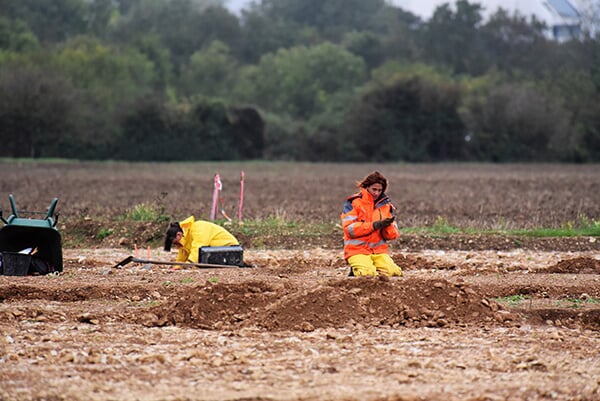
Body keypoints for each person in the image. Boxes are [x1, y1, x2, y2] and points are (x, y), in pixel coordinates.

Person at [341, 171, 403, 277]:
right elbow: (349, 230)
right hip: (357, 250)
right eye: (374, 189)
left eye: (379, 190)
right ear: (366, 187)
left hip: (378, 251)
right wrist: (374, 226)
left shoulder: (386, 205)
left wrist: (387, 226)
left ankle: (372, 266)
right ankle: (358, 267)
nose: (376, 193)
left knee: (394, 273)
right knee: (367, 274)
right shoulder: (353, 203)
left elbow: (392, 235)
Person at [164, 216, 239, 263]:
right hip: (219, 250)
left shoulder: (198, 227)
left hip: (231, 249)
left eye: (176, 243)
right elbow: (184, 252)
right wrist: (178, 265)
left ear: (179, 235)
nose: (177, 245)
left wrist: (190, 263)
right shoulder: (186, 236)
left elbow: (198, 247)